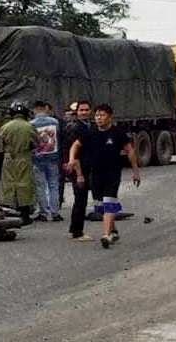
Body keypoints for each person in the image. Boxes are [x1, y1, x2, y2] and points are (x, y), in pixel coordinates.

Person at [69, 104, 141, 249]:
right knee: (102, 207)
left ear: (110, 117)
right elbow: (75, 145)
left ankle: (106, 235)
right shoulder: (91, 132)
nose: (99, 118)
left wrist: (136, 171)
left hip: (112, 174)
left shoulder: (118, 133)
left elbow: (130, 151)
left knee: (109, 202)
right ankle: (113, 230)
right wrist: (72, 159)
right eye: (96, 115)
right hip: (95, 175)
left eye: (102, 115)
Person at [0, 101, 38, 225]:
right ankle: (25, 214)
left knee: (9, 184)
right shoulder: (29, 126)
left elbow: (0, 145)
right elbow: (36, 143)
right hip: (24, 157)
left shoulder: (5, 127)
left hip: (9, 158)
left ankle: (10, 210)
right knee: (25, 184)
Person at [66, 100, 94, 241]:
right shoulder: (75, 128)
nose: (84, 112)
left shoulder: (89, 126)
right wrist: (79, 175)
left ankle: (76, 229)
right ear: (76, 113)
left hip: (88, 167)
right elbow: (74, 155)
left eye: (86, 109)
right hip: (79, 169)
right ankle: (77, 231)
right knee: (80, 199)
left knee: (83, 199)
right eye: (81, 110)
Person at [30, 100, 63, 222]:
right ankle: (55, 212)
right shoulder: (54, 122)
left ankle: (43, 212)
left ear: (34, 109)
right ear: (45, 108)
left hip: (38, 158)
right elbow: (58, 137)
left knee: (40, 186)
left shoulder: (31, 124)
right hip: (53, 157)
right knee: (54, 185)